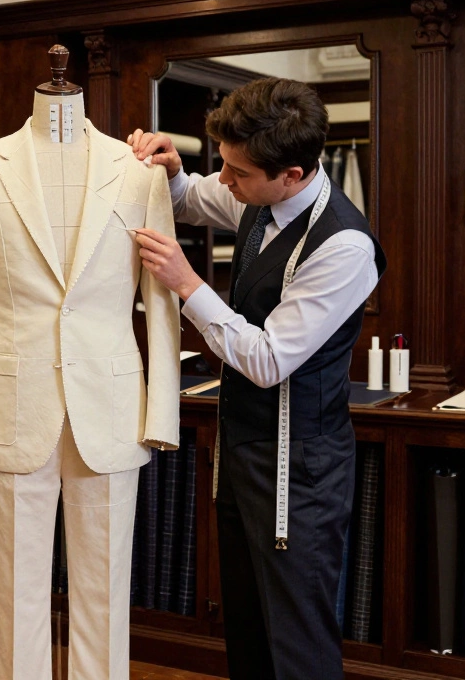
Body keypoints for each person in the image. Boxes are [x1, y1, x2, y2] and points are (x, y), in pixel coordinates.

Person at [126, 77, 385, 680]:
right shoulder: (259, 196)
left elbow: (268, 360)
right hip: (244, 453)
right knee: (245, 627)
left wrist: (188, 285)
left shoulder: (345, 247)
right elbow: (194, 197)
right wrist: (169, 171)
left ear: (291, 174)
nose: (225, 180)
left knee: (296, 641)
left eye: (237, 171)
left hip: (303, 468)